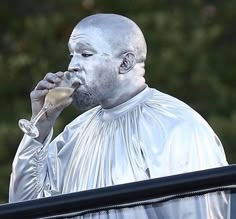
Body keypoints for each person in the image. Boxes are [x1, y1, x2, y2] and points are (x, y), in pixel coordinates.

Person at [9, 13, 229, 218]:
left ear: (125, 62)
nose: (72, 66)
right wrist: (41, 127)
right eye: (72, 55)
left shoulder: (177, 126)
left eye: (85, 54)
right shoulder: (75, 134)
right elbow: (25, 209)